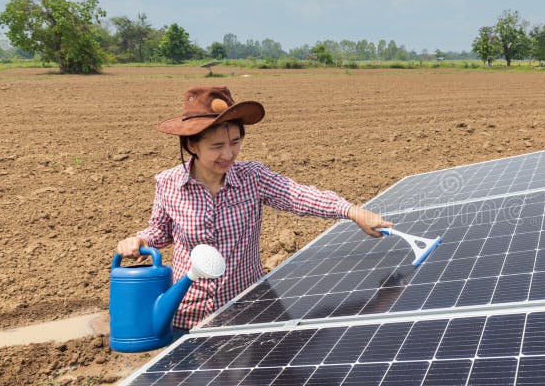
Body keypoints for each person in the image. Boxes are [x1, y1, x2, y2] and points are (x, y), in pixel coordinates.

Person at [116, 85, 392, 334]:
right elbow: (160, 231)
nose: (228, 154)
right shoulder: (169, 183)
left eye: (235, 142)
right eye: (217, 146)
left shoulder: (253, 178)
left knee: (260, 385)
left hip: (247, 306)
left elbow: (298, 195)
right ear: (192, 145)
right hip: (189, 313)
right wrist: (140, 240)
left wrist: (352, 211)